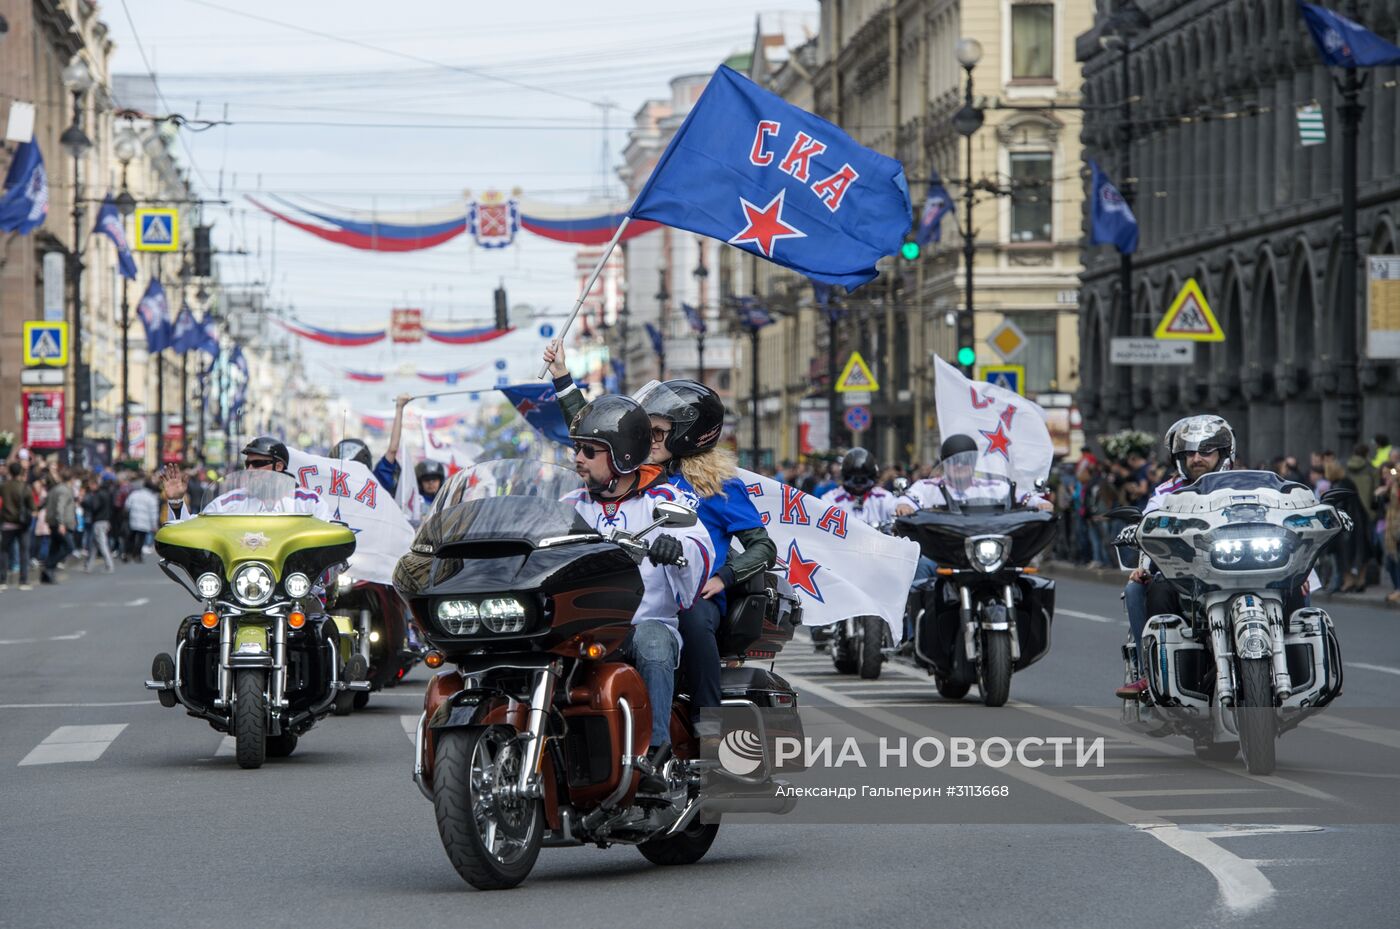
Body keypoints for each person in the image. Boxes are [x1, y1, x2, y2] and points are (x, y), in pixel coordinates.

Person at [545, 342, 777, 724]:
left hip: (692, 590)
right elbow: (597, 436)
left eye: (657, 432)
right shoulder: (634, 475)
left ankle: (708, 723)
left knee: (693, 619)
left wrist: (723, 577)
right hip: (632, 590)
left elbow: (763, 546)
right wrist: (562, 379)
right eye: (645, 431)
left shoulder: (716, 485)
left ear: (687, 435)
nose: (647, 439)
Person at [564, 394, 715, 785]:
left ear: (622, 455)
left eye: (589, 451)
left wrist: (675, 548)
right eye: (577, 448)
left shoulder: (663, 499)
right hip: (578, 629)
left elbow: (699, 546)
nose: (578, 458)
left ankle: (655, 756)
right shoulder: (570, 504)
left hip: (639, 626)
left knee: (652, 640)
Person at [1116, 414, 1235, 698]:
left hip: (1238, 570)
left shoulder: (1247, 487)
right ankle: (1150, 673)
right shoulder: (1165, 492)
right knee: (1138, 588)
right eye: (1190, 452)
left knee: (1297, 586)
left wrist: (1300, 571)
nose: (1197, 458)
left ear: (1223, 453)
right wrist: (1144, 564)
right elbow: (1147, 526)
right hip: (1183, 577)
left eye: (1205, 451)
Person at [160, 436, 334, 522]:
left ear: (279, 466)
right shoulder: (230, 502)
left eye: (258, 463)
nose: (250, 469)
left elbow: (331, 533)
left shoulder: (309, 501)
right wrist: (176, 501)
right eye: (247, 464)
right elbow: (193, 529)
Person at [822, 447, 901, 527]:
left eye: (864, 479)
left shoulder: (883, 497)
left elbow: (897, 508)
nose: (859, 484)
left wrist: (903, 505)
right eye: (854, 479)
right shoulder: (831, 499)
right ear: (845, 476)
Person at [1, 461, 34, 590]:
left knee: (4, 551)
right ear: (21, 472)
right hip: (22, 524)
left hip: (7, 523)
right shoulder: (25, 487)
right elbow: (32, 506)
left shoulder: (4, 486)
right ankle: (23, 581)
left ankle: (2, 580)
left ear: (9, 471)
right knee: (24, 552)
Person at [40, 471, 77, 584]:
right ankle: (49, 565)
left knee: (54, 548)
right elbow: (60, 507)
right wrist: (61, 523)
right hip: (61, 524)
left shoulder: (54, 489)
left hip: (52, 522)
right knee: (69, 547)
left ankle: (48, 574)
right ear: (71, 479)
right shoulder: (64, 490)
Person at [82, 475, 115, 574]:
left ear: (95, 485)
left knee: (102, 544)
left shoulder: (98, 495)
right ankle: (89, 566)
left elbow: (94, 507)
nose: (89, 488)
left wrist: (85, 503)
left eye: (90, 485)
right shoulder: (107, 493)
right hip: (105, 520)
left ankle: (109, 565)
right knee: (94, 545)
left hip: (98, 521)